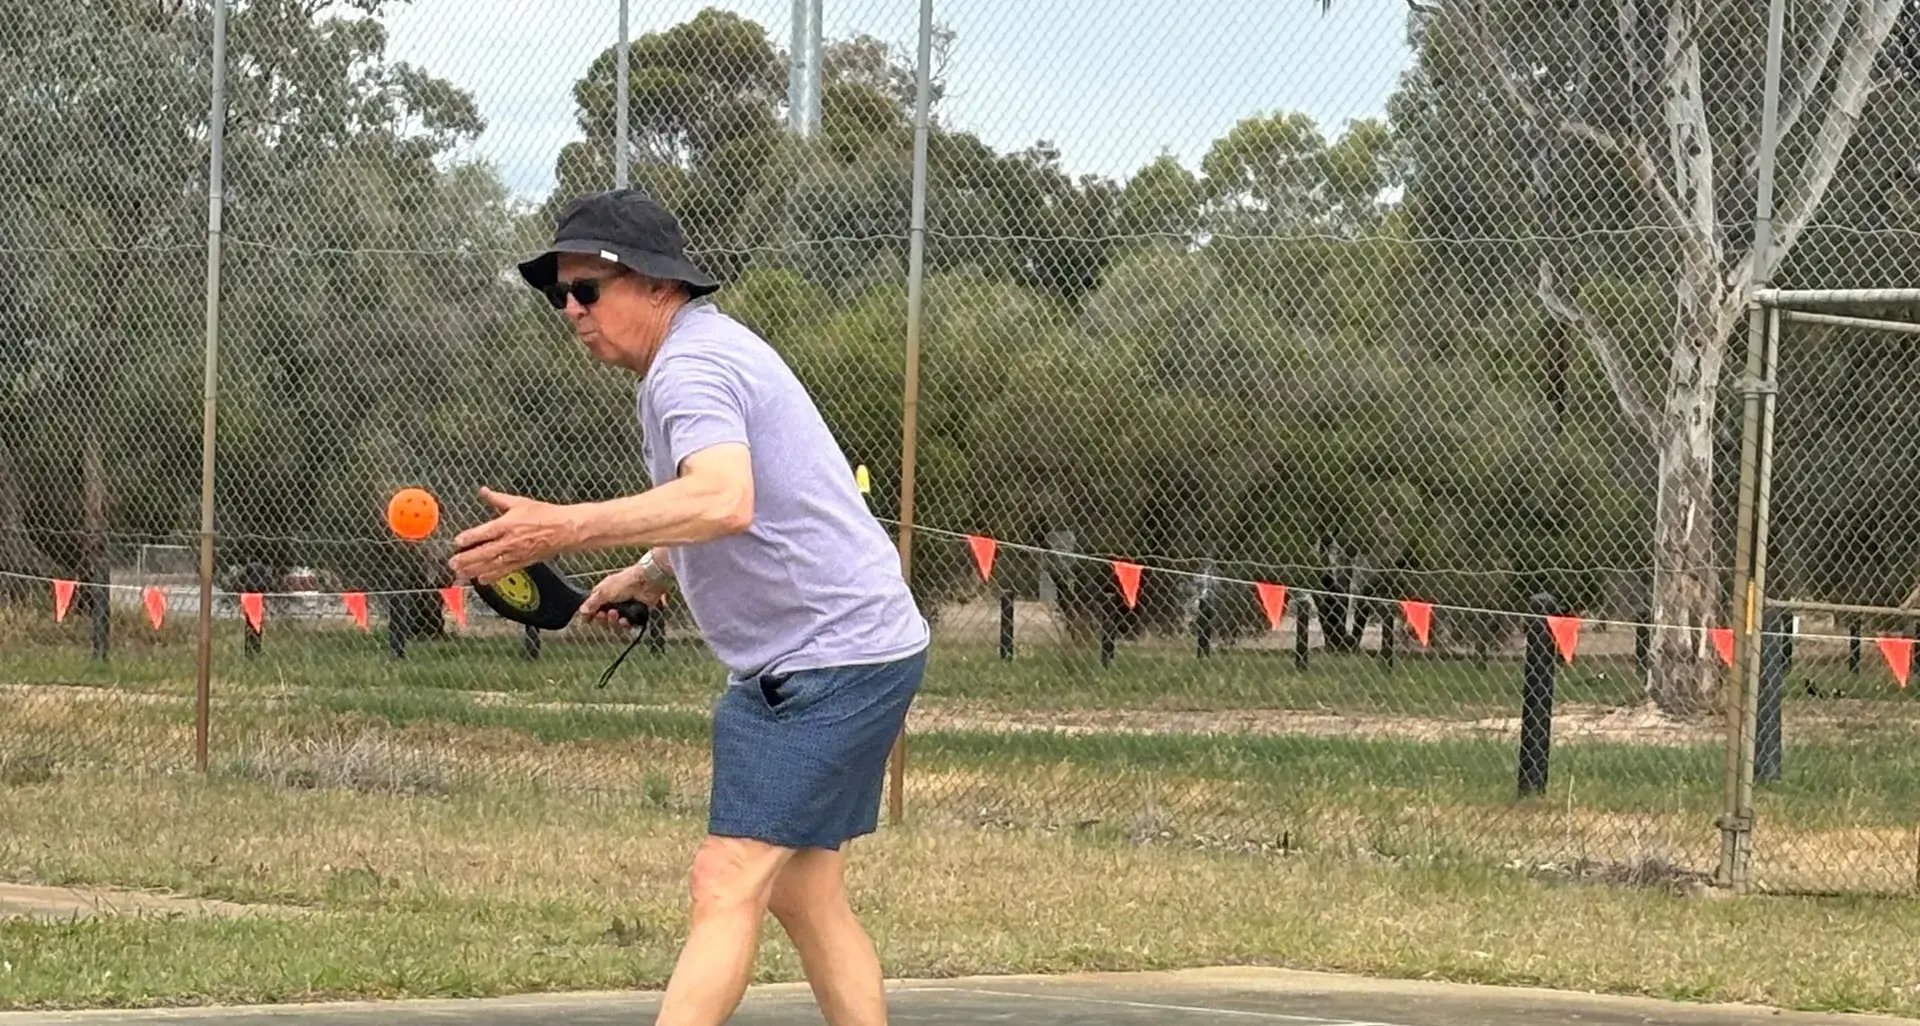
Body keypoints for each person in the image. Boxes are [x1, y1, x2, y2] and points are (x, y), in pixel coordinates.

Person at [447, 189, 929, 1026]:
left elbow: (726, 498)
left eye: (586, 290)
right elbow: (730, 502)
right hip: (833, 652)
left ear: (658, 285)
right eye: (558, 293)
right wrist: (649, 570)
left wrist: (563, 529)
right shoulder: (690, 362)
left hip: (831, 659)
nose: (569, 309)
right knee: (806, 893)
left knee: (725, 878)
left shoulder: (690, 369)